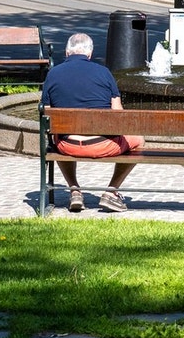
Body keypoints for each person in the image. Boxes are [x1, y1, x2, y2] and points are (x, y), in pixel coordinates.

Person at [42, 33, 142, 212]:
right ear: (90, 54)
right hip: (102, 144)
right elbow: (118, 114)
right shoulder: (103, 72)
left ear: (67, 52)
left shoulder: (53, 73)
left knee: (59, 134)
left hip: (67, 145)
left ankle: (74, 190)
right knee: (139, 140)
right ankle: (111, 192)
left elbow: (47, 114)